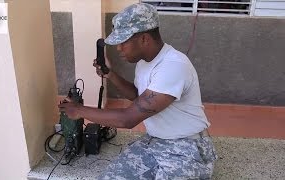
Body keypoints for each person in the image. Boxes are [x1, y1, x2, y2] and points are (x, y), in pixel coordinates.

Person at [58, 3, 217, 179]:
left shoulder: (173, 66)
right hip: (155, 141)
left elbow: (128, 119)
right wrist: (110, 74)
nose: (118, 48)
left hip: (187, 147)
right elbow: (138, 96)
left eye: (123, 42)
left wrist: (79, 111)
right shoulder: (144, 62)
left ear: (144, 39)